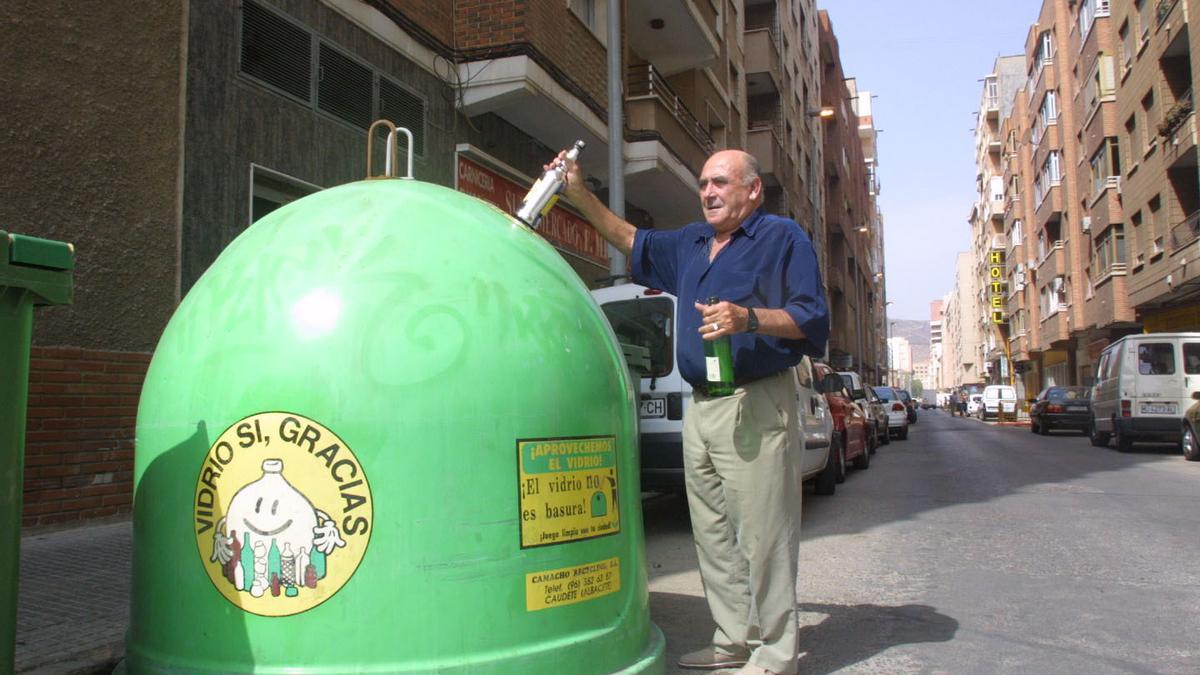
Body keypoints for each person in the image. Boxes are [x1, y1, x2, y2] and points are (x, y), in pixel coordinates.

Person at [551, 148, 829, 675]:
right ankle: (733, 641)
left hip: (755, 402)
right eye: (703, 183)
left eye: (721, 182)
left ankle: (776, 654)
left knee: (763, 536)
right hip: (701, 407)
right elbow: (630, 240)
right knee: (713, 535)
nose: (708, 192)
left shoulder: (782, 238)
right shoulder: (692, 242)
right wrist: (579, 193)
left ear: (752, 191)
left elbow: (810, 317)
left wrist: (748, 318)